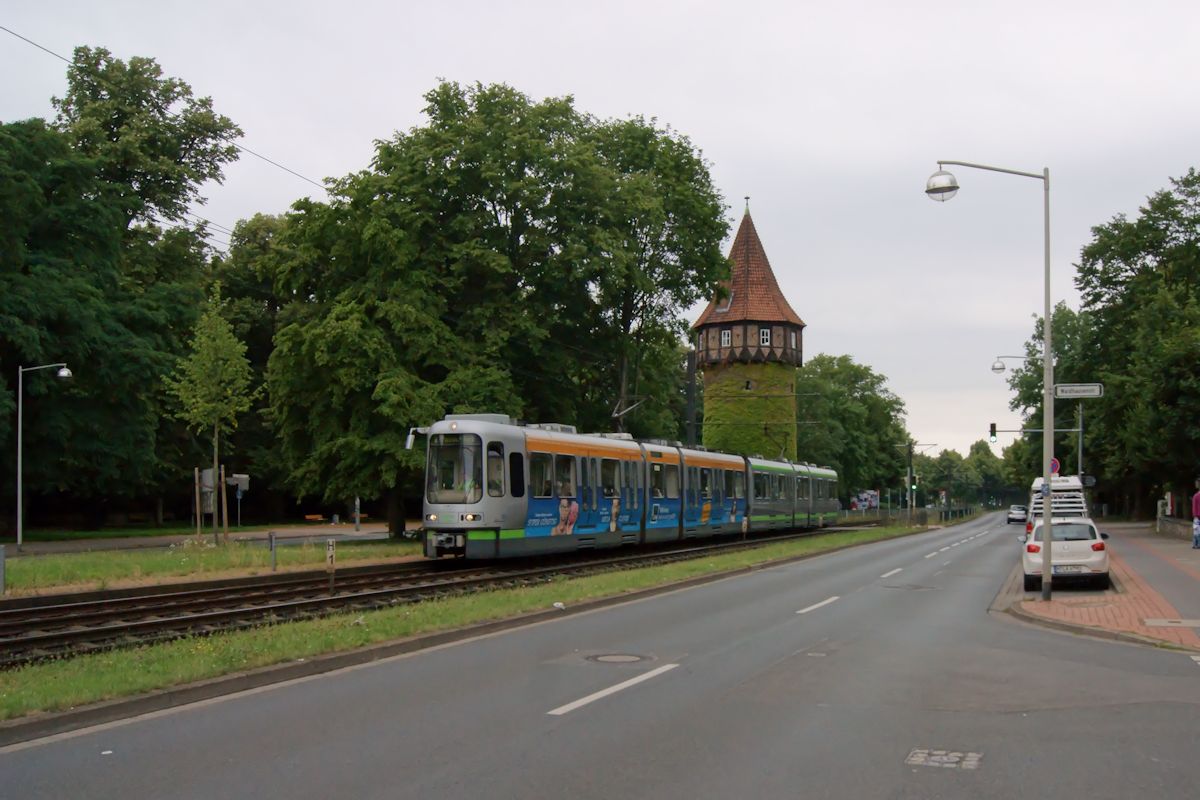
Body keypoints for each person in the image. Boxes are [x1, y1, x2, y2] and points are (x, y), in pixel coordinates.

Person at [1192, 479, 1200, 549]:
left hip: (1197, 516)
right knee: (1196, 531)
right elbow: (1194, 507)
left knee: (1197, 531)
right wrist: (1195, 515)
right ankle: (1195, 544)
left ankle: (1197, 544)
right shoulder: (1196, 496)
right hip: (1197, 517)